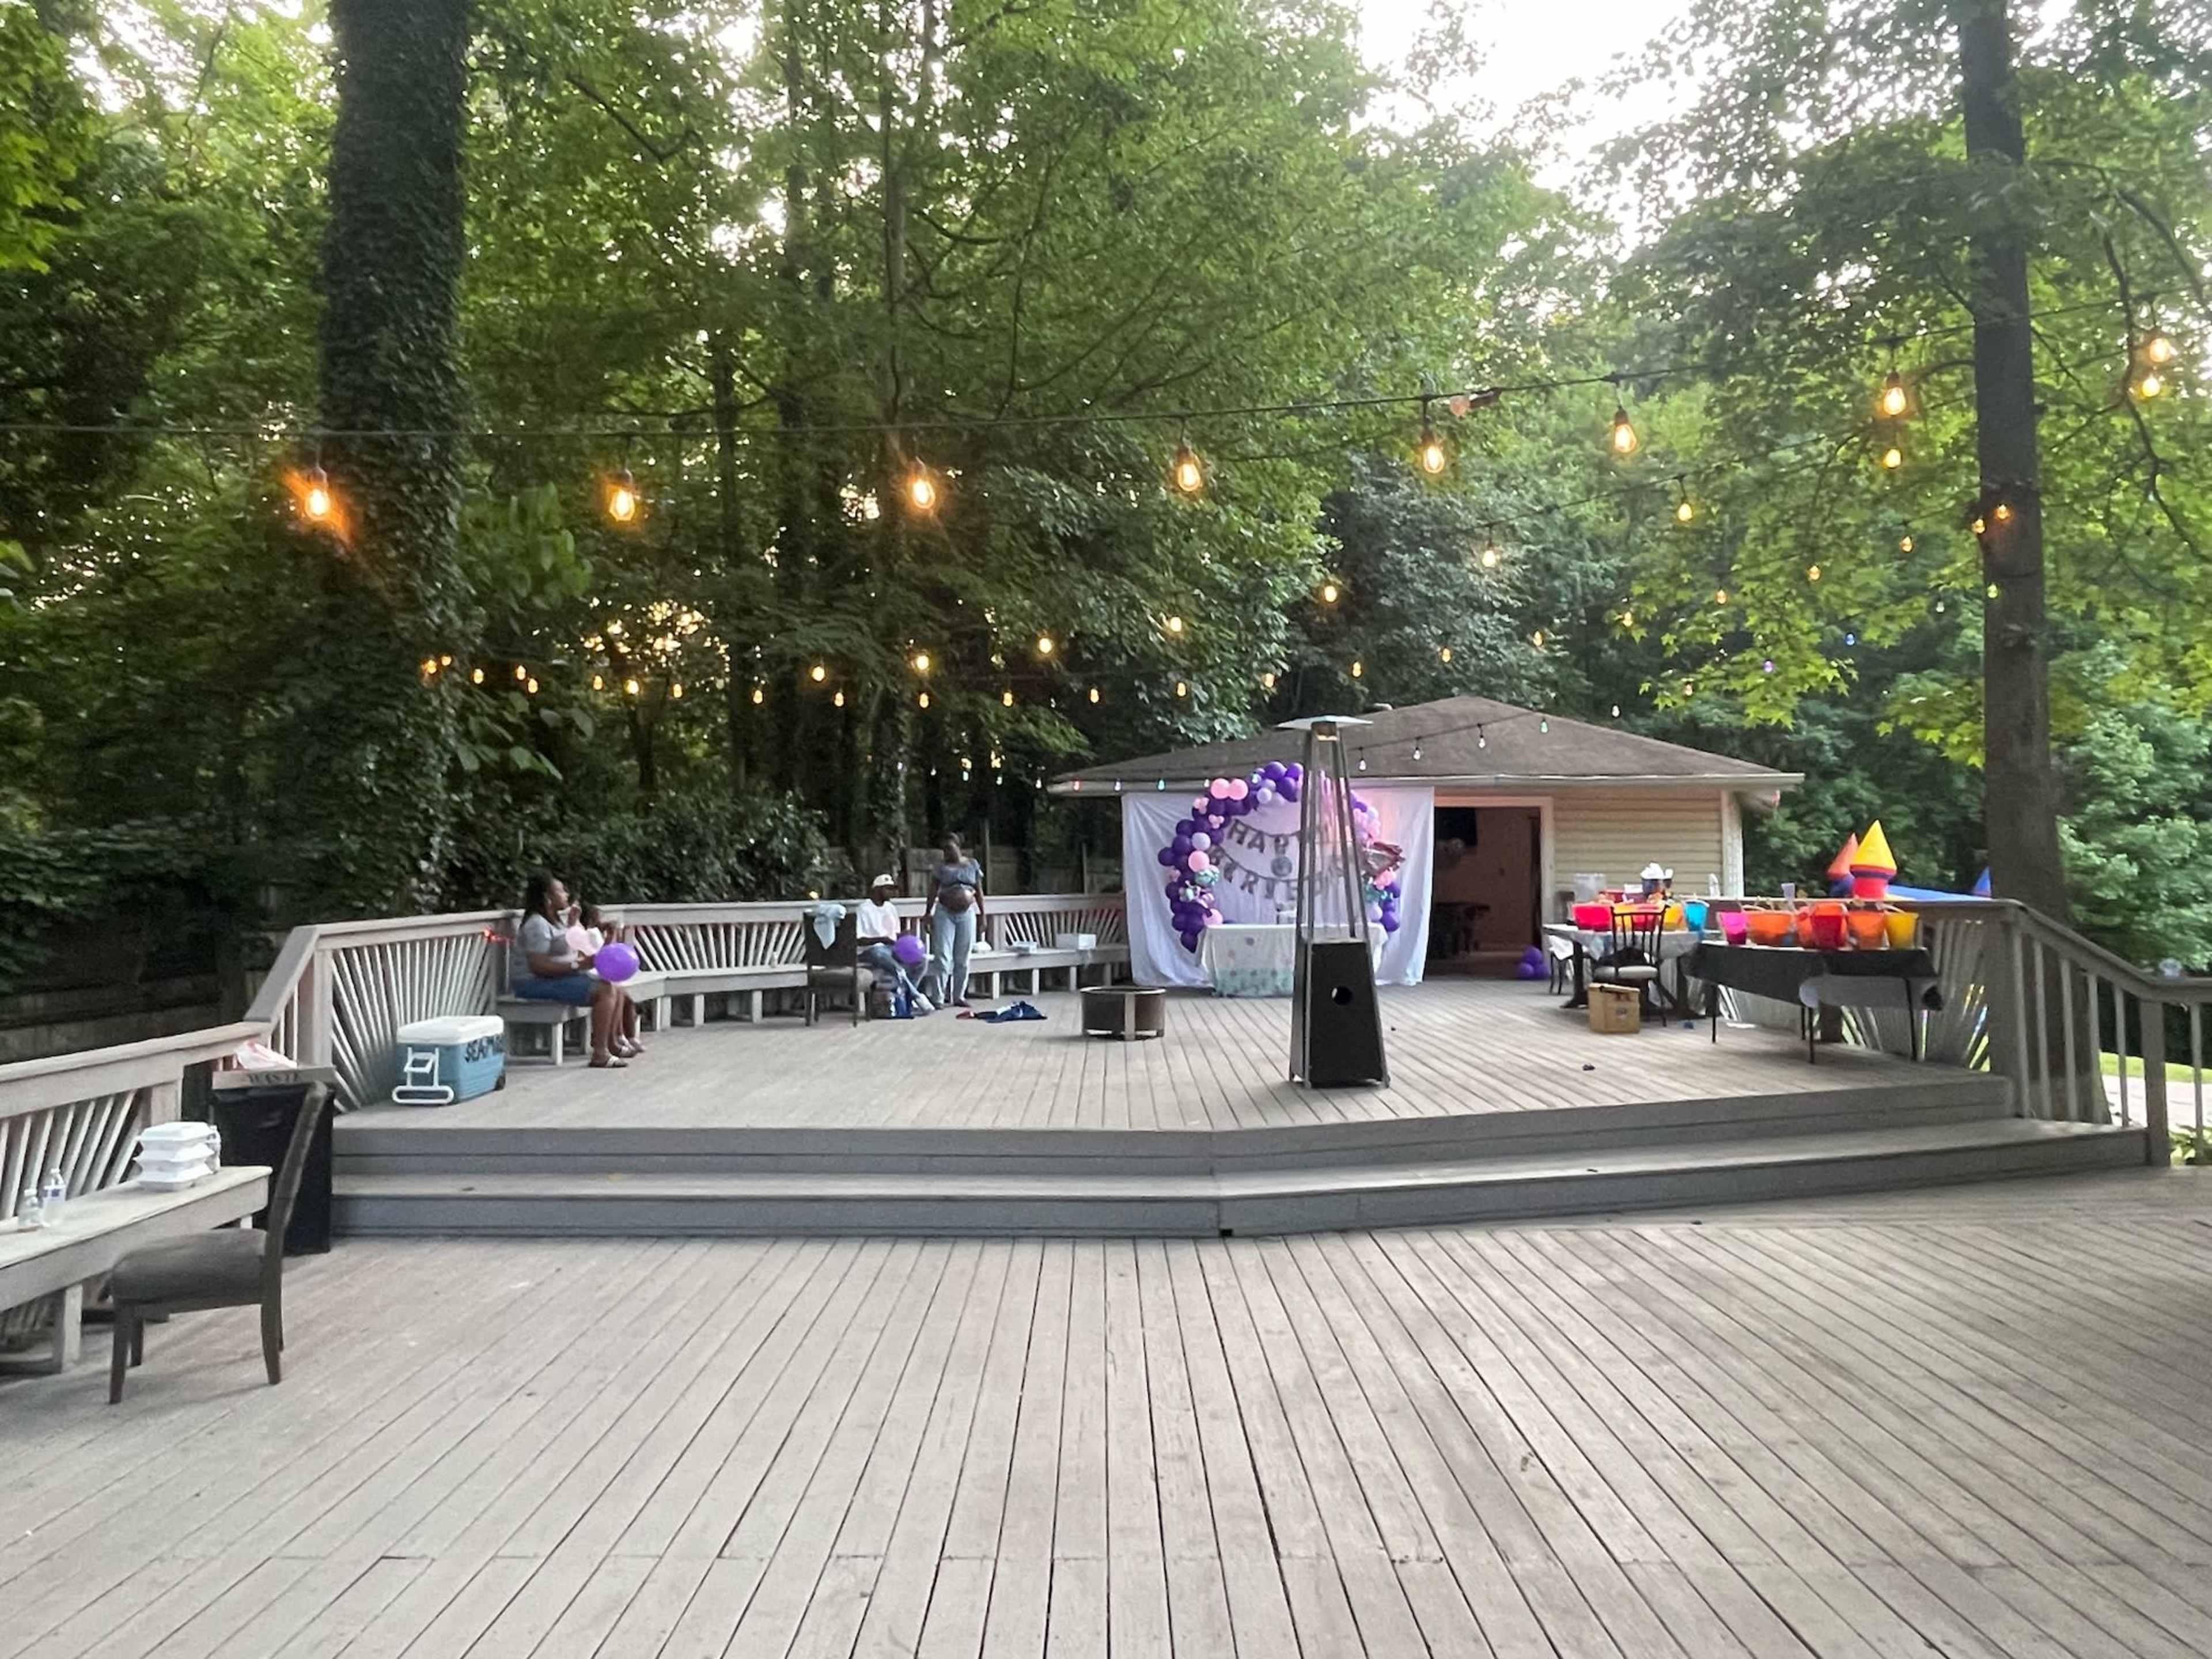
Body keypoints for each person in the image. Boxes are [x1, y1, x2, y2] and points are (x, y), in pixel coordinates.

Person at [513, 873, 637, 1067]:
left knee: (614, 987)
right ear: (548, 897)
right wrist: (579, 965)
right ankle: (600, 1053)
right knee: (605, 990)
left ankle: (612, 1044)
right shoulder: (537, 924)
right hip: (533, 983)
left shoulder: (555, 921)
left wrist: (575, 928)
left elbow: (571, 948)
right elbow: (539, 966)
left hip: (557, 978)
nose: (566, 894)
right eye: (561, 891)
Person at [922, 834, 986, 1008]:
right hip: (945, 912)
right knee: (943, 954)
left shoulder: (972, 864)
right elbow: (932, 891)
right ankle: (938, 998)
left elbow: (979, 891)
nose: (947, 852)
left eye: (950, 848)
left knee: (963, 956)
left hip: (967, 913)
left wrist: (983, 915)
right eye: (944, 849)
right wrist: (928, 913)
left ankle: (959, 996)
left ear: (959, 847)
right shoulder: (941, 868)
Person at [855, 875, 933, 1014]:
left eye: (893, 889)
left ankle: (906, 997)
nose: (892, 893)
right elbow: (859, 939)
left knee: (922, 961)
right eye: (888, 889)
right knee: (891, 963)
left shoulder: (891, 908)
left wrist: (904, 936)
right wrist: (882, 939)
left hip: (890, 948)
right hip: (869, 951)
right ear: (877, 890)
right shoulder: (864, 909)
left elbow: (894, 935)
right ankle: (916, 996)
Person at [575, 897, 645, 1051]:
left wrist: (610, 935)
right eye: (598, 918)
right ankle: (619, 1036)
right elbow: (602, 955)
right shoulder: (590, 933)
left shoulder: (591, 933)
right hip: (592, 972)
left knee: (621, 994)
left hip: (597, 971)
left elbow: (608, 953)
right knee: (616, 992)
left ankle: (623, 1036)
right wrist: (610, 935)